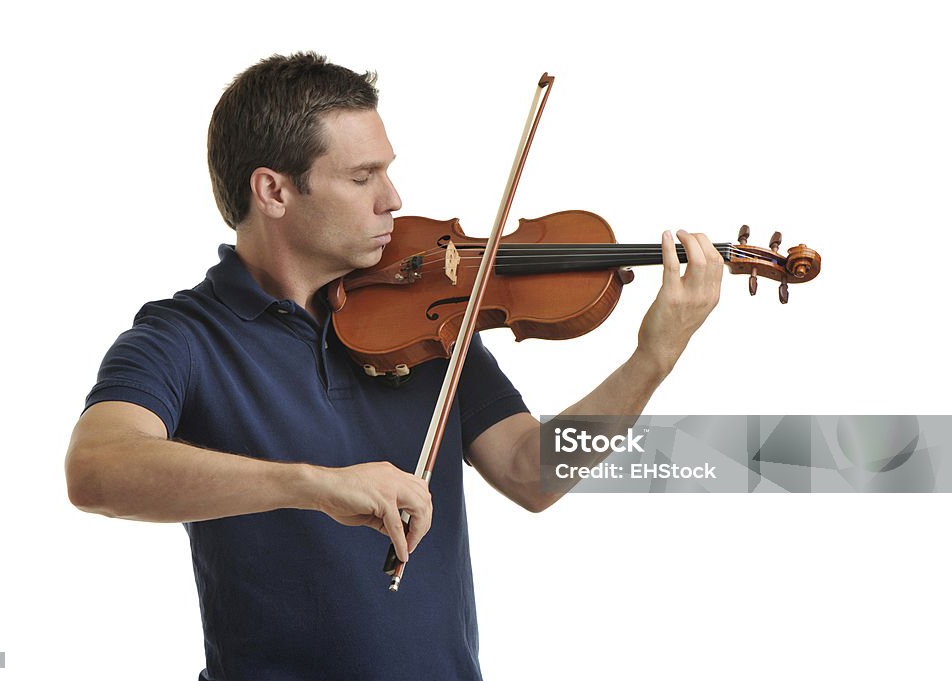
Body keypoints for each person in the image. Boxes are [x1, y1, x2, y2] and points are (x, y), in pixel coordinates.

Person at [65, 52, 723, 681]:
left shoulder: (427, 318)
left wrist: (653, 355)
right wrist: (315, 484)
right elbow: (97, 469)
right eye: (362, 177)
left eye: (387, 170)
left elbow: (533, 471)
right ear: (273, 190)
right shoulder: (183, 336)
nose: (394, 198)